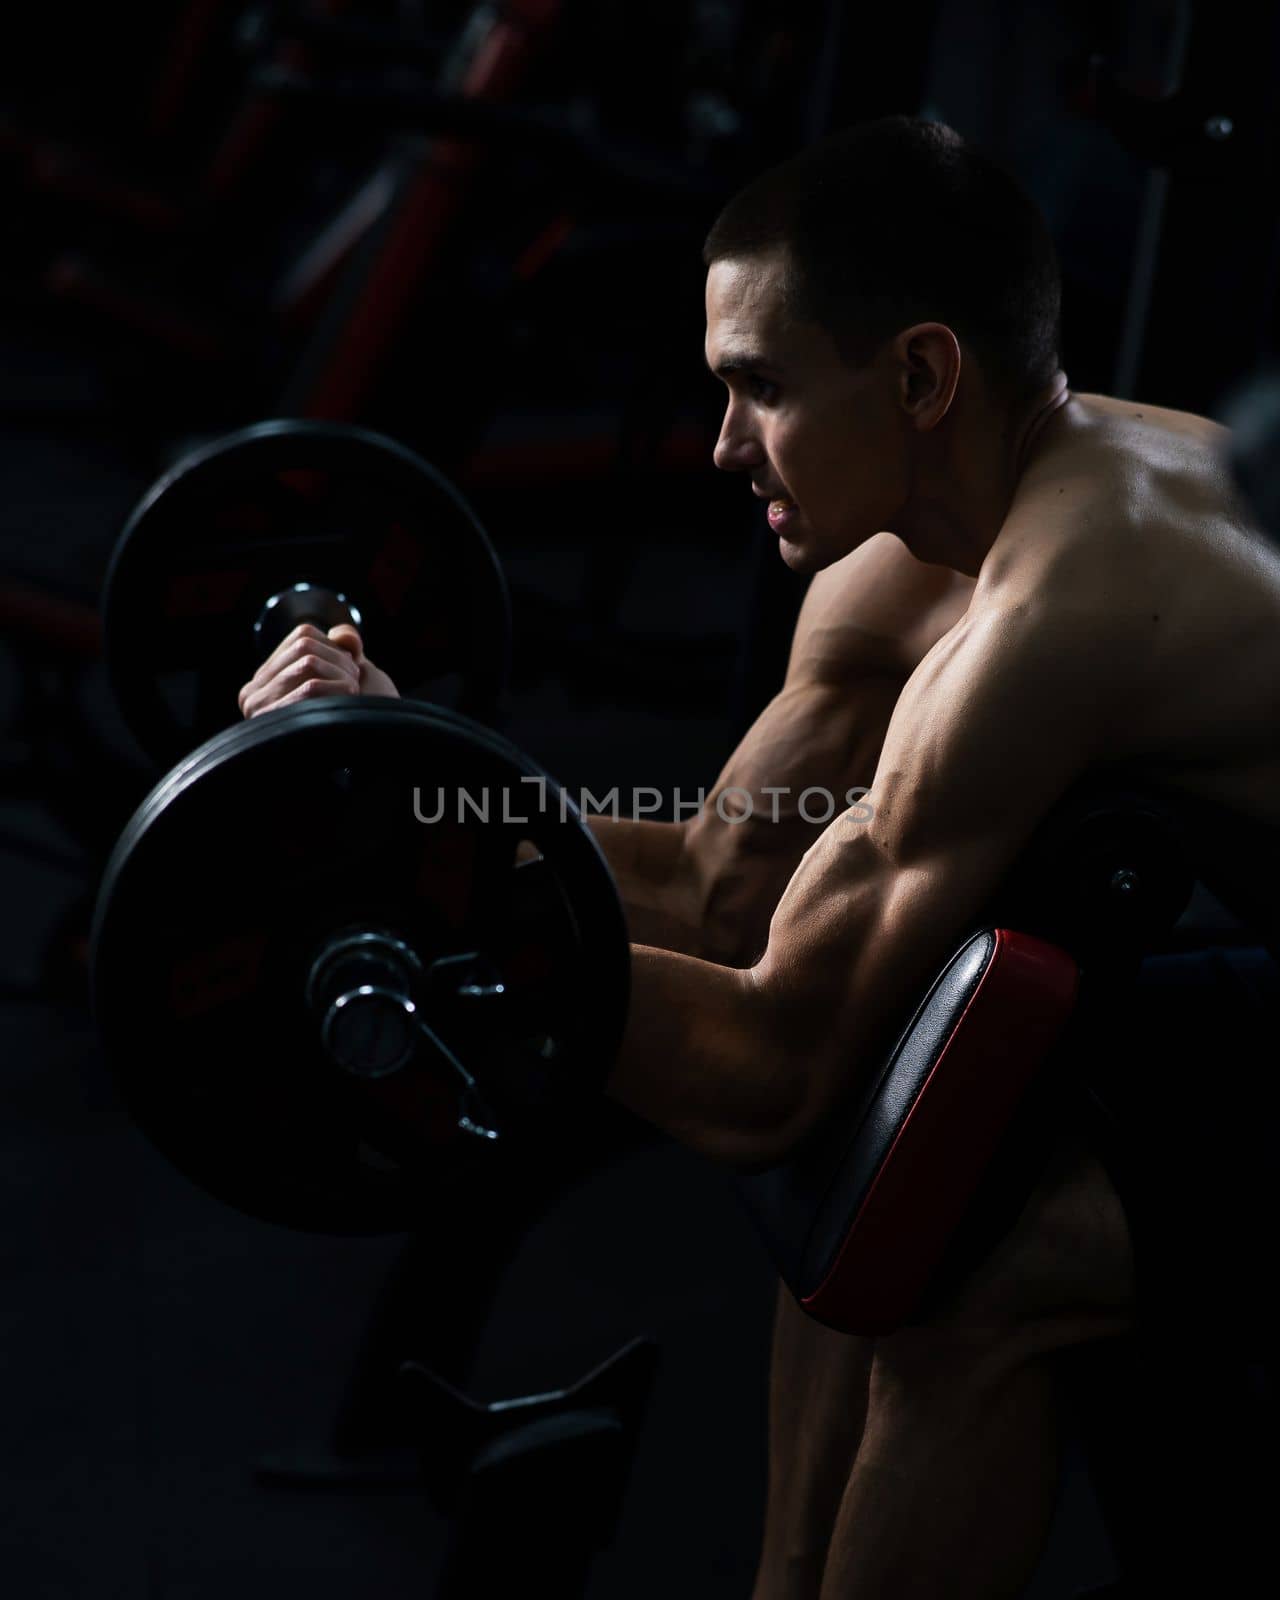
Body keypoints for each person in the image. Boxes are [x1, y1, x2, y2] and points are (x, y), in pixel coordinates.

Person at [238, 116, 1280, 1596]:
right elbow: (733, 884)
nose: (724, 443)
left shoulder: (1064, 605)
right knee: (925, 1126)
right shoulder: (903, 547)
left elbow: (772, 1066)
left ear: (921, 375)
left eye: (763, 389)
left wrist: (427, 900)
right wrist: (411, 783)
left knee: (991, 1265)